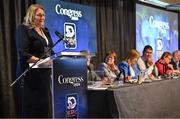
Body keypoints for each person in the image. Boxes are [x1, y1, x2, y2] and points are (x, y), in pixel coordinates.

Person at [15, 4, 54, 117]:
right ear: (32, 16)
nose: (42, 18)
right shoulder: (24, 29)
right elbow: (23, 53)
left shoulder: (45, 31)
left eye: (43, 15)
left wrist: (55, 59)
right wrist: (41, 61)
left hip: (44, 74)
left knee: (43, 106)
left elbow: (49, 51)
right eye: (39, 15)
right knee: (31, 107)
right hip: (29, 74)